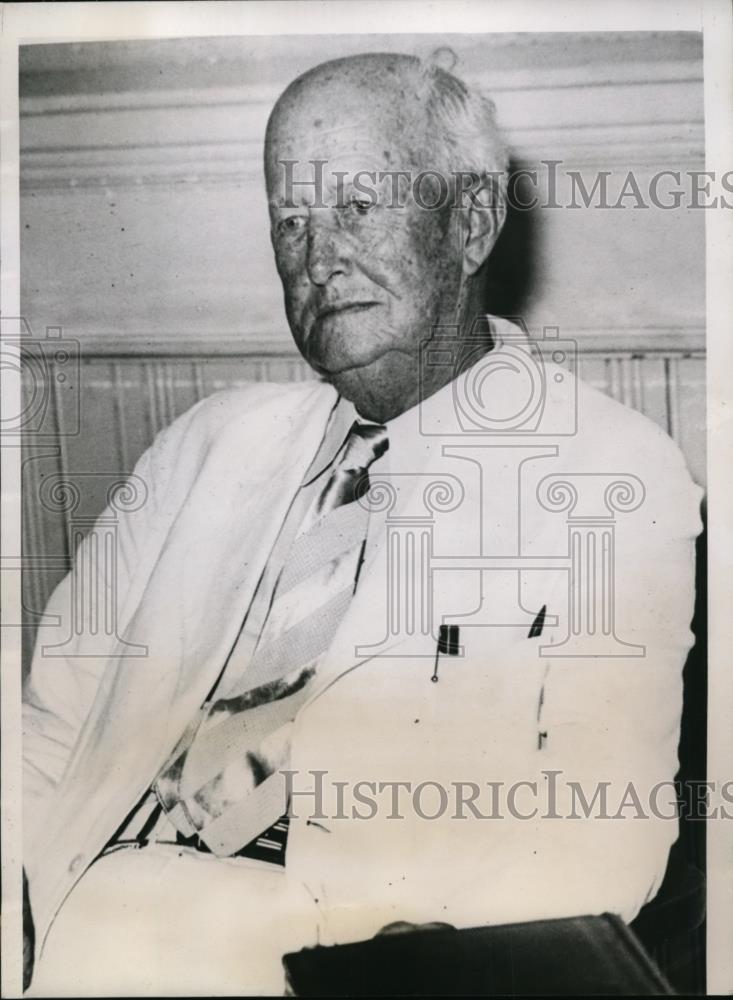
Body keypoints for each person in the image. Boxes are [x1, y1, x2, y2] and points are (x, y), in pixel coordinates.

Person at [23, 52, 702, 994]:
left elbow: (607, 835)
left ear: (469, 223)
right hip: (76, 922)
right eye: (289, 221)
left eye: (355, 207)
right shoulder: (203, 445)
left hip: (344, 959)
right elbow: (44, 729)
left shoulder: (609, 472)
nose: (316, 257)